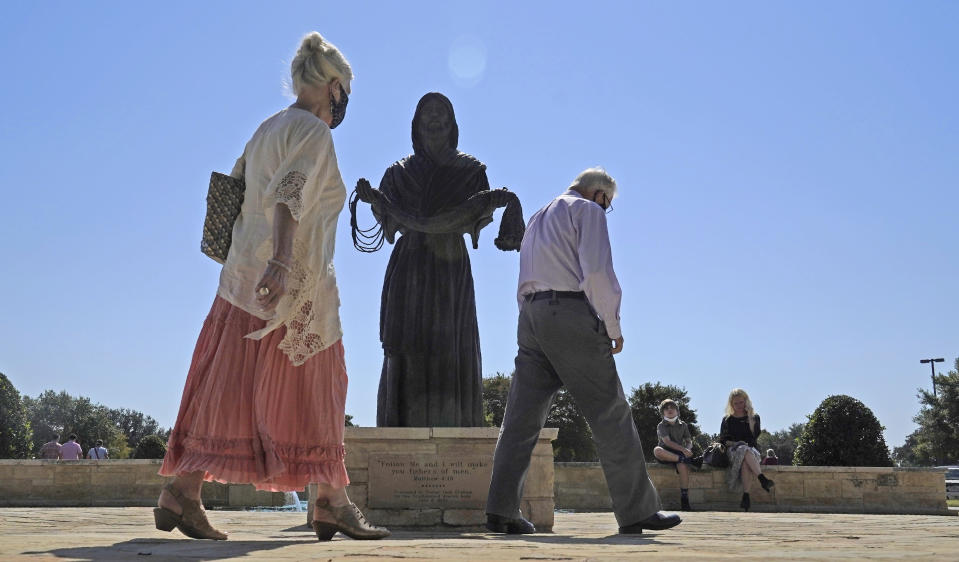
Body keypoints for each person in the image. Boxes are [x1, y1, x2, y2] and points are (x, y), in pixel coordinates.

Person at [156, 32, 388, 542]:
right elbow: (289, 194)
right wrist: (282, 260)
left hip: (241, 277)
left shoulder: (268, 127)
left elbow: (236, 193)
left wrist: (262, 259)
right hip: (294, 287)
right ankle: (331, 501)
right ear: (333, 85)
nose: (344, 99)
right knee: (324, 387)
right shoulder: (313, 132)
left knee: (229, 387)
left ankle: (183, 489)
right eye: (345, 88)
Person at [485, 168, 681, 535]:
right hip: (568, 313)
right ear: (598, 194)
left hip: (530, 316)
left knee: (520, 420)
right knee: (611, 411)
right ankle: (638, 511)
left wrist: (532, 322)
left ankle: (501, 510)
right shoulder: (587, 212)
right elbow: (596, 273)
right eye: (607, 205)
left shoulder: (538, 215)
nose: (605, 212)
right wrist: (612, 325)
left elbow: (525, 273)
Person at [357, 92, 522, 427]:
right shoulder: (398, 172)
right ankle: (403, 425)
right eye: (426, 113)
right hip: (410, 265)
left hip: (450, 265)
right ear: (416, 124)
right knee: (407, 343)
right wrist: (375, 201)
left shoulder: (472, 170)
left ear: (452, 123)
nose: (433, 118)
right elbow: (390, 220)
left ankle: (453, 423)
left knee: (450, 341)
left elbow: (473, 215)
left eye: (440, 112)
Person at [718, 388, 775, 511]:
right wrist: (737, 443)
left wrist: (750, 418)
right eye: (736, 403)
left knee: (745, 461)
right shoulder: (727, 419)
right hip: (733, 450)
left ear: (746, 401)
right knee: (743, 448)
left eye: (741, 402)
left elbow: (754, 436)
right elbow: (723, 441)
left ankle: (746, 496)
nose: (739, 405)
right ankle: (762, 479)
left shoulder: (754, 417)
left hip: (752, 451)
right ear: (731, 404)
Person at [653, 399, 703, 511]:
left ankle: (684, 497)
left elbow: (689, 441)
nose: (669, 410)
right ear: (663, 413)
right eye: (666, 408)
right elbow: (667, 442)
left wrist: (688, 449)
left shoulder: (683, 425)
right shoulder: (661, 425)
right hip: (665, 453)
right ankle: (686, 460)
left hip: (679, 454)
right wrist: (683, 451)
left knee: (682, 465)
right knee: (657, 450)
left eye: (672, 408)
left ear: (677, 411)